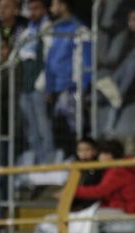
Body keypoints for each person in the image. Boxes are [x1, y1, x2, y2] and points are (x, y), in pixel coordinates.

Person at [45, 0, 92, 157]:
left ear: (64, 5)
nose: (51, 8)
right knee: (59, 128)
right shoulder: (54, 29)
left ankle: (81, 158)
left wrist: (83, 85)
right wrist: (49, 87)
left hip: (72, 87)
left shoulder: (80, 29)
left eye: (54, 4)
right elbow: (50, 61)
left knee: (77, 127)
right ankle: (68, 158)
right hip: (57, 88)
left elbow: (87, 60)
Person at [18, 0, 54, 161]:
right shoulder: (26, 33)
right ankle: (38, 161)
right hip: (25, 87)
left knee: (43, 126)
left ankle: (49, 160)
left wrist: (48, 86)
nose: (32, 12)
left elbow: (50, 59)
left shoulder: (50, 29)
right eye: (30, 9)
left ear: (44, 10)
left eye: (36, 8)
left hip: (40, 86)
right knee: (31, 129)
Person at [71, 138, 135, 213]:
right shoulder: (115, 169)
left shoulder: (117, 171)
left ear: (112, 155)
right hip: (118, 208)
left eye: (103, 154)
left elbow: (100, 191)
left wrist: (73, 191)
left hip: (124, 211)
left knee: (84, 214)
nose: (100, 157)